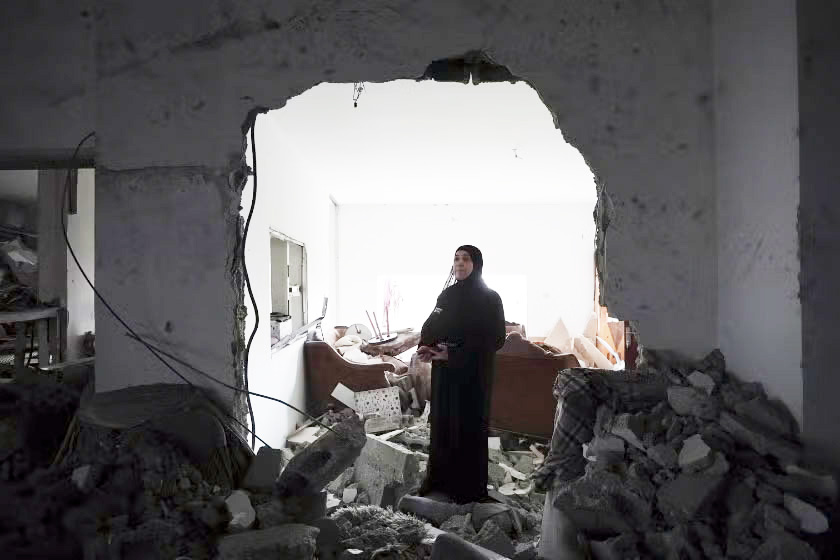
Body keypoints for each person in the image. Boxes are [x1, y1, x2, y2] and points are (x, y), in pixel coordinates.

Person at [415, 245, 506, 504]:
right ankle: (439, 483)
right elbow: (431, 325)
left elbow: (495, 339)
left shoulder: (490, 298)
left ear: (476, 264)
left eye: (465, 259)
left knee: (468, 428)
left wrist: (453, 354)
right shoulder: (448, 295)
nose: (459, 263)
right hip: (445, 375)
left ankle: (466, 490)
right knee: (443, 425)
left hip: (473, 375)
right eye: (456, 259)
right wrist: (426, 346)